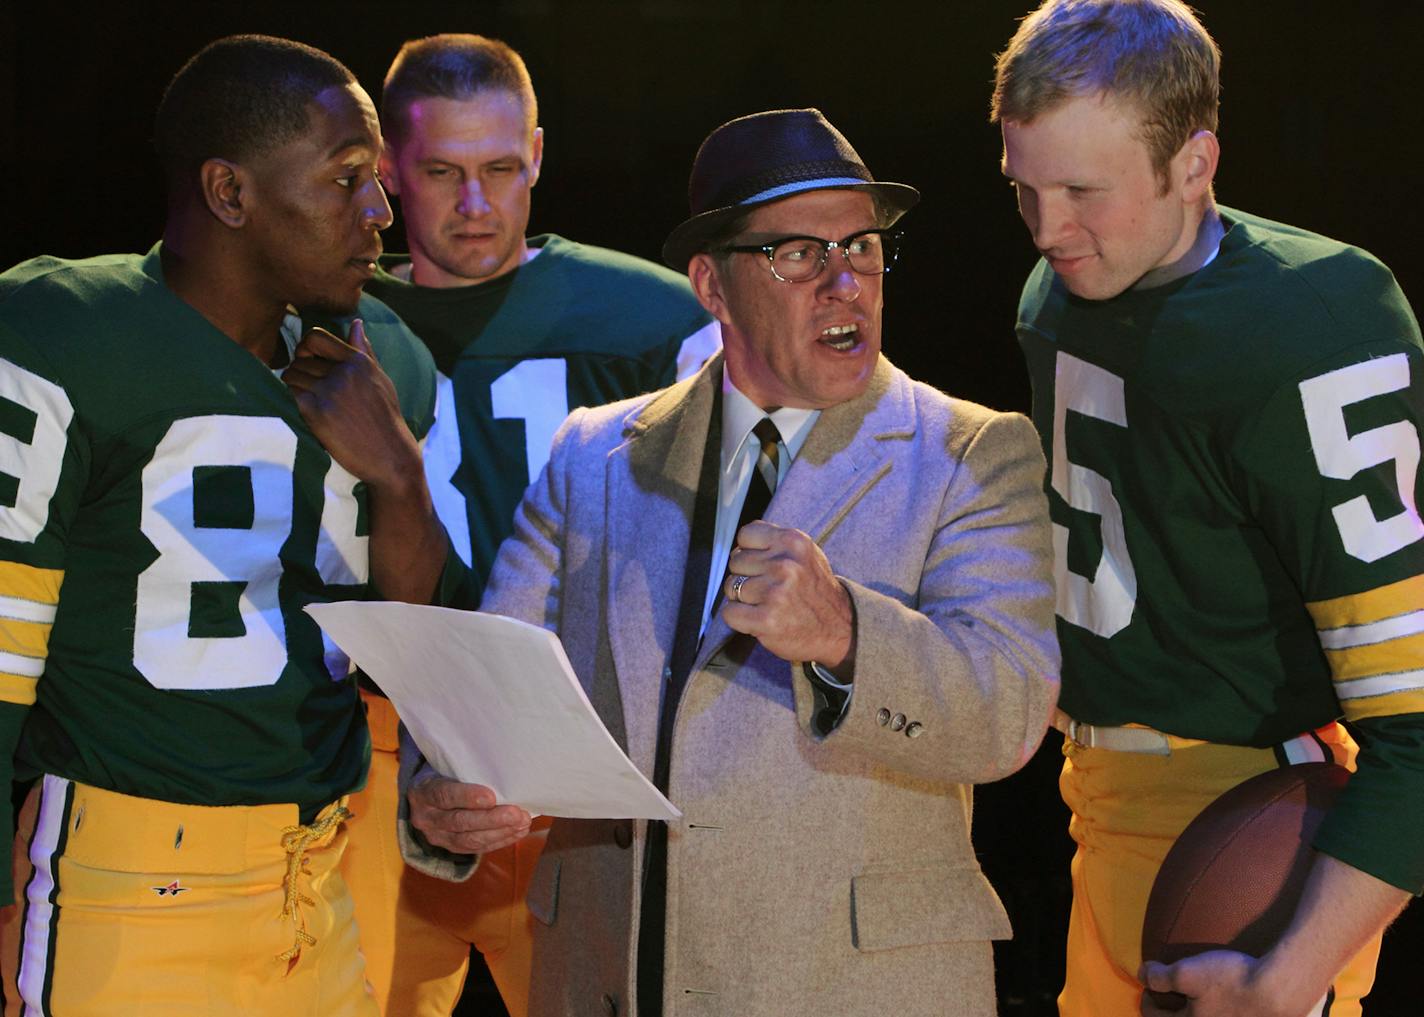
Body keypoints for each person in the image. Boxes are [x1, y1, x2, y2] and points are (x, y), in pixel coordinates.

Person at [398, 107, 1060, 1017]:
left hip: (855, 990)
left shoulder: (968, 453)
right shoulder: (591, 454)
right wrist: (440, 798)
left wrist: (845, 632)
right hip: (608, 978)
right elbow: (490, 690)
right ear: (711, 284)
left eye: (863, 248)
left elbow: (1008, 711)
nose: (845, 283)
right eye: (799, 253)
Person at [0, 35, 460, 1016]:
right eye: (345, 181)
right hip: (125, 895)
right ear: (229, 192)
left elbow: (412, 659)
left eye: (377, 181)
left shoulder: (382, 365)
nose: (382, 213)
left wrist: (399, 475)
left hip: (321, 887)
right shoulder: (63, 330)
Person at [991, 2, 1424, 1015]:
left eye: (1081, 192)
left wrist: (1287, 973)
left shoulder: (1313, 329)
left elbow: (1415, 722)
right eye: (1023, 190)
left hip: (1235, 814)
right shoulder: (1059, 289)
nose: (1049, 229)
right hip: (1093, 805)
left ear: (1192, 166)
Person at [340, 33, 719, 1017]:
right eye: (441, 172)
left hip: (584, 752)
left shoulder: (652, 316)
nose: (475, 204)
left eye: (501, 169)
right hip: (378, 760)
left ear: (539, 155)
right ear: (385, 167)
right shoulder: (334, 314)